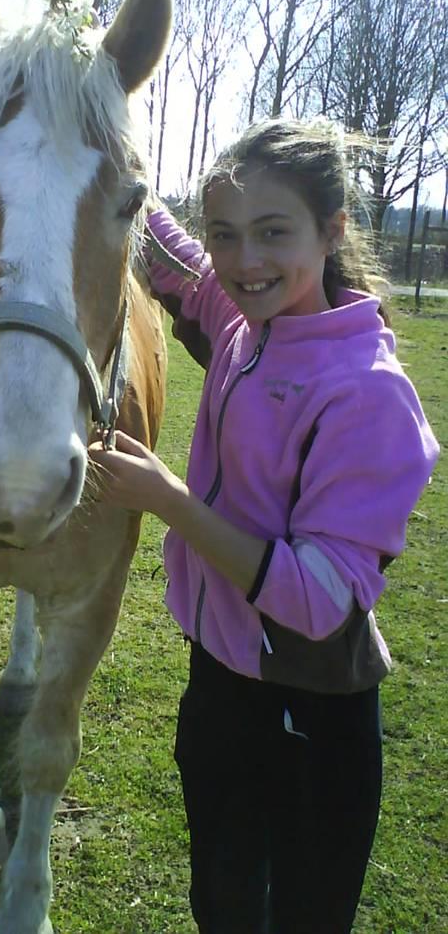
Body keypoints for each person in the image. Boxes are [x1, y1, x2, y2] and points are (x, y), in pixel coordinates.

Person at [89, 118, 439, 934]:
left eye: (274, 232)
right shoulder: (247, 328)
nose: (244, 260)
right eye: (226, 234)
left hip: (309, 713)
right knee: (221, 900)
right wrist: (109, 137)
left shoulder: (367, 392)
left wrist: (168, 499)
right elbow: (171, 259)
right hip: (220, 683)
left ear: (332, 229)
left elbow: (318, 600)